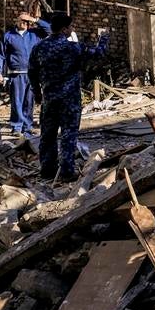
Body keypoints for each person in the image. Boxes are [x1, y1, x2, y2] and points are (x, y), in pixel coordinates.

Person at [28, 11, 110, 182]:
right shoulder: (73, 47)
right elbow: (98, 53)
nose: (71, 29)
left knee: (48, 135)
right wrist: (104, 37)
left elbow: (32, 73)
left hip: (49, 100)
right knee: (68, 135)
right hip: (69, 101)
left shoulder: (39, 48)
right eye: (70, 27)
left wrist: (37, 94)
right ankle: (66, 171)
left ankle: (47, 169)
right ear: (65, 29)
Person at [0, 11, 44, 135]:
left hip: (32, 74)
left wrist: (35, 20)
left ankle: (27, 126)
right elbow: (1, 55)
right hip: (16, 74)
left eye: (26, 21)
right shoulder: (9, 36)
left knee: (29, 101)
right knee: (17, 101)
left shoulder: (34, 34)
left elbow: (49, 30)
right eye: (22, 20)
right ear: (16, 21)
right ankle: (16, 126)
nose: (24, 23)